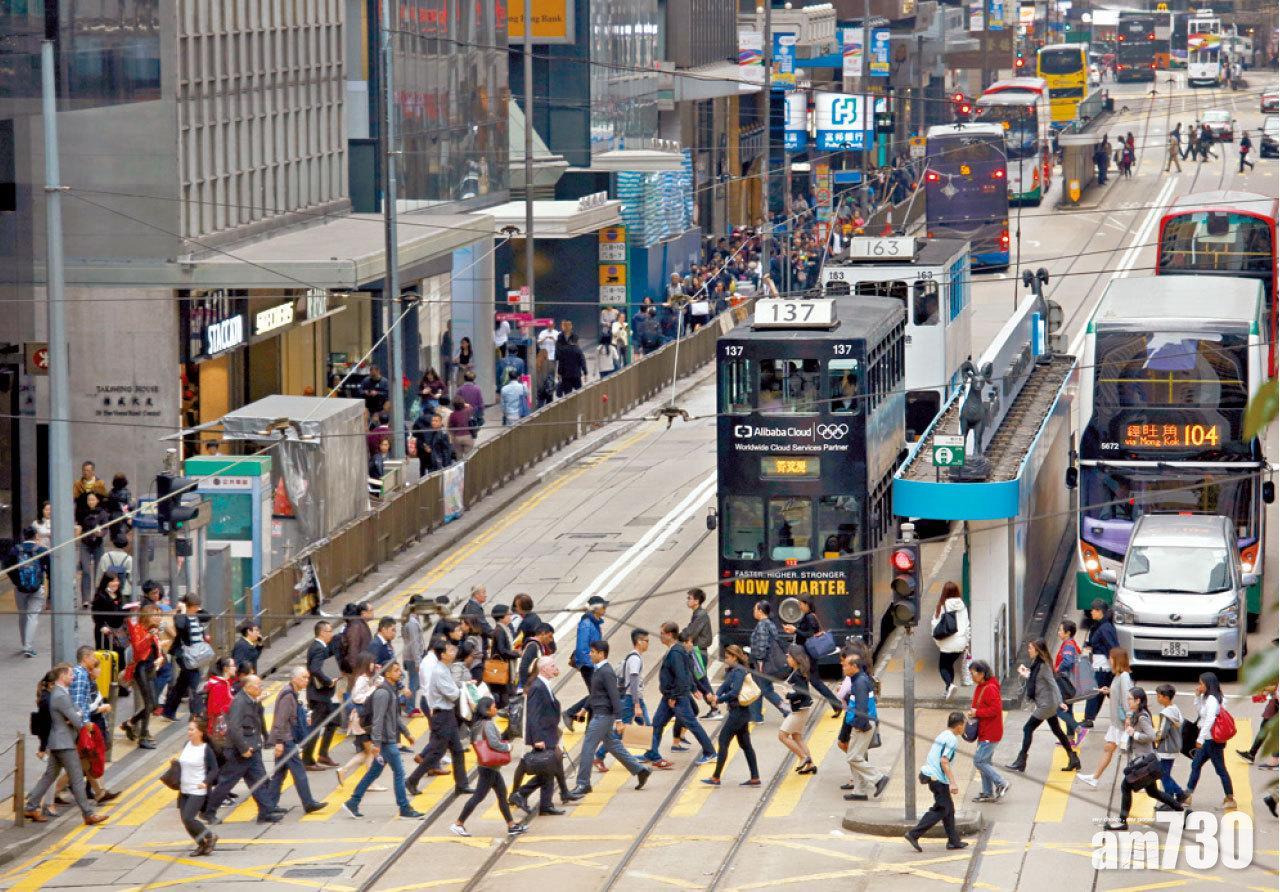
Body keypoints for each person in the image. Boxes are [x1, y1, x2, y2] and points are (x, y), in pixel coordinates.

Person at [24, 663, 108, 826]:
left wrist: (76, 714)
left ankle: (31, 806)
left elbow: (76, 712)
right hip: (64, 743)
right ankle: (88, 814)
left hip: (58, 742)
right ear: (62, 676)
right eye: (70, 675)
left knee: (50, 776)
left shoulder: (60, 692)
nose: (73, 677)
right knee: (76, 778)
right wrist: (77, 716)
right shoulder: (61, 695)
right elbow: (77, 719)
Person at [342, 662, 424, 819]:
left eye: (400, 669)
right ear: (387, 674)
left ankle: (353, 802)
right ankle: (404, 807)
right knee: (399, 773)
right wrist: (377, 743)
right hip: (386, 742)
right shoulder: (383, 693)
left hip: (388, 739)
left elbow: (394, 716)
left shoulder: (391, 691)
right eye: (396, 670)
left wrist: (406, 733)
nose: (400, 672)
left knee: (374, 772)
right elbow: (378, 720)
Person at [570, 640, 650, 795]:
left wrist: (619, 720)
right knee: (613, 745)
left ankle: (583, 783)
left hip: (603, 716)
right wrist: (584, 709)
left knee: (588, 747)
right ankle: (640, 770)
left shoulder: (606, 672)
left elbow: (614, 696)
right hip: (601, 714)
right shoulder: (598, 670)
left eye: (593, 652)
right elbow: (594, 693)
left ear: (601, 654)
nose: (590, 654)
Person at [200, 675, 281, 824]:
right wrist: (243, 748)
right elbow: (234, 728)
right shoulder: (239, 702)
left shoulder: (250, 700)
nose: (261, 688)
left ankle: (266, 811)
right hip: (240, 750)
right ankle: (208, 812)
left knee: (259, 779)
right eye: (258, 686)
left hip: (252, 748)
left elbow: (257, 719)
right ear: (248, 687)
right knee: (227, 783)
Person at [1104, 687, 1185, 830]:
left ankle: (1122, 822)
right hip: (1144, 760)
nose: (1128, 701)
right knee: (1153, 792)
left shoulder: (1142, 717)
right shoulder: (1138, 713)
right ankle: (1180, 811)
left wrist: (1133, 734)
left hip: (1144, 761)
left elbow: (1151, 736)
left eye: (1130, 699)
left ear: (1138, 700)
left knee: (1125, 786)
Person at [639, 623, 717, 767]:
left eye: (662, 633)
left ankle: (710, 752)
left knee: (692, 724)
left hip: (677, 697)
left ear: (669, 634)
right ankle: (651, 752)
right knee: (657, 724)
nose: (660, 635)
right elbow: (687, 672)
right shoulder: (676, 650)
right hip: (670, 697)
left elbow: (681, 676)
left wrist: (674, 696)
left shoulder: (676, 652)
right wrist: (693, 689)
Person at [450, 696, 526, 837]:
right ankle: (458, 823)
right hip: (489, 768)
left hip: (488, 767)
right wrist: (507, 746)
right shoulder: (488, 724)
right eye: (493, 706)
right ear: (487, 710)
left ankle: (511, 825)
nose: (496, 709)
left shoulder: (477, 724)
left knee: (502, 795)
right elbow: (493, 743)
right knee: (478, 797)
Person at [1005, 639, 1080, 772]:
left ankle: (1021, 761)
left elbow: (1053, 684)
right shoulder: (1037, 664)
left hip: (1046, 705)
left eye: (1030, 648)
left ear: (1037, 650)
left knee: (1027, 728)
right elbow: (1037, 679)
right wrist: (1026, 674)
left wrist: (1060, 702)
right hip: (1047, 704)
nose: (1028, 650)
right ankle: (1073, 758)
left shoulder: (1044, 665)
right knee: (1057, 730)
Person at [407, 639, 470, 796]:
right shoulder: (439, 672)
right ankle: (412, 780)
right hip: (442, 716)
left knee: (457, 751)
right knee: (436, 753)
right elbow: (452, 694)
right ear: (442, 655)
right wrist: (463, 689)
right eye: (449, 651)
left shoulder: (444, 668)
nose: (453, 653)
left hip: (447, 715)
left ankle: (462, 784)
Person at [510, 656, 568, 816]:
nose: (555, 668)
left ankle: (545, 804)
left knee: (549, 769)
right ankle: (521, 793)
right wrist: (537, 739)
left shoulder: (544, 685)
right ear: (543, 669)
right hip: (542, 735)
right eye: (552, 666)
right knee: (548, 769)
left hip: (548, 733)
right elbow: (533, 715)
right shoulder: (538, 686)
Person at [904, 712, 968, 853]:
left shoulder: (943, 734)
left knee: (949, 809)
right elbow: (944, 761)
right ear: (958, 726)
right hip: (937, 778)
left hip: (931, 775)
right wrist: (953, 782)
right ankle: (914, 834)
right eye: (964, 724)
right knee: (941, 809)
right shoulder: (952, 740)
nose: (965, 727)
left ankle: (953, 841)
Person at [700, 645, 760, 787]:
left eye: (727, 657)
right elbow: (725, 685)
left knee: (723, 741)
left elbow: (734, 693)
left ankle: (716, 777)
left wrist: (718, 700)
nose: (725, 660)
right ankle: (755, 777)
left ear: (734, 657)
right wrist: (716, 696)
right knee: (746, 746)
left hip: (738, 713)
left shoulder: (739, 671)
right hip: (741, 713)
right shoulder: (733, 670)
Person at [268, 667, 326, 814]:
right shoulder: (288, 695)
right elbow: (280, 720)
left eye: (307, 678)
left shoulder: (292, 693)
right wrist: (279, 742)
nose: (307, 680)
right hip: (286, 740)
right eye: (303, 678)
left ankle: (269, 805)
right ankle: (308, 803)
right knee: (299, 773)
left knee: (279, 774)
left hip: (286, 738)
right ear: (294, 678)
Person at [1078, 647, 1133, 787]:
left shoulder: (1124, 677)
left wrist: (1128, 718)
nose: (1109, 659)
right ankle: (1095, 778)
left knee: (1131, 754)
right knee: (1109, 748)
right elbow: (1118, 693)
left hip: (1122, 723)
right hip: (1116, 722)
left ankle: (1142, 781)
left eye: (1111, 657)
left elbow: (1128, 698)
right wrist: (1108, 691)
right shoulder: (1118, 676)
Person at [837, 654, 889, 801]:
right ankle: (859, 791)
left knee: (853, 757)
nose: (843, 667)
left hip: (862, 724)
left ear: (854, 666)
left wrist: (860, 726)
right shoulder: (860, 680)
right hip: (863, 723)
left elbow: (861, 707)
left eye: (845, 665)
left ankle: (879, 779)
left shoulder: (859, 682)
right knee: (856, 756)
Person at [1182, 671, 1236, 811]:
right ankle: (1187, 794)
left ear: (1207, 684)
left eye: (1201, 683)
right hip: (1208, 740)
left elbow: (1210, 720)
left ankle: (1230, 798)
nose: (1199, 686)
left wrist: (1200, 738)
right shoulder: (1210, 698)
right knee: (1196, 764)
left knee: (1220, 769)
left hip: (1211, 741)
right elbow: (1201, 713)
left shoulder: (1212, 699)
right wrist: (1197, 697)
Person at [779, 597, 841, 714]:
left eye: (800, 604)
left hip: (808, 655)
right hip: (806, 654)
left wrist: (795, 630)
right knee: (806, 679)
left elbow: (810, 634)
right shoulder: (807, 616)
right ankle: (807, 702)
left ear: (806, 604)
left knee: (814, 681)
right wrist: (793, 631)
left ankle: (834, 704)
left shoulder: (809, 617)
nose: (799, 606)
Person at [120, 605, 165, 749]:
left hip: (151, 668)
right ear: (146, 616)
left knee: (153, 704)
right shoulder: (139, 629)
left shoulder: (154, 631)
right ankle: (143, 736)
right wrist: (149, 636)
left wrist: (160, 659)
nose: (158, 618)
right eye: (155, 615)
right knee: (149, 704)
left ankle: (130, 723)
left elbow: (157, 651)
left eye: (159, 615)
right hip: (141, 669)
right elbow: (138, 650)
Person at [161, 594, 212, 721]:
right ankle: (196, 714)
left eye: (198, 606)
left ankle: (168, 711)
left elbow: (207, 616)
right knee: (195, 682)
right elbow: (180, 626)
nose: (197, 609)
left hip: (195, 653)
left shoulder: (196, 615)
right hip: (184, 654)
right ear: (187, 606)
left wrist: (197, 609)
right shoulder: (180, 616)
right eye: (194, 606)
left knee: (182, 684)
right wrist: (183, 610)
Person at [176, 718, 220, 856]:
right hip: (184, 789)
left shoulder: (206, 749)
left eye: (192, 729)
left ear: (200, 732)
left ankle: (210, 836)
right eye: (188, 729)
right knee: (185, 821)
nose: (189, 732)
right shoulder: (186, 745)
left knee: (189, 818)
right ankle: (201, 845)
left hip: (198, 790)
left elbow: (214, 769)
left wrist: (205, 782)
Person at [966, 660, 1008, 802]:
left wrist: (977, 712)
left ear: (982, 673)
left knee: (979, 761)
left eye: (973, 674)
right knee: (985, 762)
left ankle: (1001, 783)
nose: (971, 676)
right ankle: (987, 792)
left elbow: (995, 710)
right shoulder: (981, 686)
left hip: (991, 732)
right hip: (984, 731)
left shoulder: (990, 688)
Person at [564, 596, 607, 729]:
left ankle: (589, 727)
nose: (605, 608)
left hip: (593, 664)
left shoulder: (595, 622)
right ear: (595, 608)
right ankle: (570, 713)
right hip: (589, 665)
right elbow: (582, 648)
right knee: (597, 694)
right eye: (603, 606)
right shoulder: (587, 623)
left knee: (596, 695)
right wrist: (592, 665)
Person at [7, 525, 50, 657]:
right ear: (36, 535)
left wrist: (17, 582)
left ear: (23, 536)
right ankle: (28, 646)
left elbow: (9, 567)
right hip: (37, 588)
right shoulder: (42, 550)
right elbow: (49, 569)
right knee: (32, 616)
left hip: (20, 589)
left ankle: (23, 643)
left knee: (23, 615)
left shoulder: (15, 550)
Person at [302, 621, 339, 769]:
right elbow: (315, 669)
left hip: (325, 696)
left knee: (334, 721)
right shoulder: (318, 648)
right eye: (330, 631)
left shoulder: (323, 647)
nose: (332, 633)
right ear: (322, 632)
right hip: (319, 696)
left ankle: (323, 754)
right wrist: (329, 681)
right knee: (315, 728)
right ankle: (307, 760)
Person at [748, 601, 789, 722]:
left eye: (755, 609)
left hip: (762, 662)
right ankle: (756, 716)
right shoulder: (770, 623)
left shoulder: (762, 625)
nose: (753, 612)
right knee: (757, 688)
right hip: (764, 661)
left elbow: (762, 644)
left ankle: (786, 709)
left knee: (766, 690)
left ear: (760, 611)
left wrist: (760, 661)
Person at [1081, 599, 1119, 727]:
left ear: (1100, 611)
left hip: (1104, 666)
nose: (1091, 612)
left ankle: (1088, 719)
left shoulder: (1105, 628)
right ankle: (1089, 718)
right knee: (1105, 693)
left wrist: (1115, 669)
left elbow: (1112, 648)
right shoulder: (1100, 625)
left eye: (1093, 610)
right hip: (1101, 664)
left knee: (1095, 691)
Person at [779, 645, 817, 774]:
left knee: (782, 735)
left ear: (796, 658)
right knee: (796, 736)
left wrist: (788, 695)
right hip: (802, 708)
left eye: (789, 656)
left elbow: (802, 692)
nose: (787, 659)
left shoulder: (798, 674)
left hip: (800, 709)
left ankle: (803, 757)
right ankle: (810, 764)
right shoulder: (799, 671)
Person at [931, 582, 969, 697]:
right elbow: (967, 624)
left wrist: (936, 639)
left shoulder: (942, 605)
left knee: (943, 666)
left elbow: (935, 623)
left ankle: (949, 684)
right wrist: (967, 642)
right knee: (950, 664)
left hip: (947, 641)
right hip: (960, 642)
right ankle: (948, 689)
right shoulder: (962, 605)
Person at [75, 491, 110, 608]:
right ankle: (85, 598)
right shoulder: (81, 512)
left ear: (97, 500)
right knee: (85, 570)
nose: (91, 502)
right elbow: (78, 526)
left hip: (98, 543)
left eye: (93, 499)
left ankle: (98, 596)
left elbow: (106, 528)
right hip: (85, 543)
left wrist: (100, 533)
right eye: (89, 500)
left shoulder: (103, 513)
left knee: (98, 571)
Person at [1153, 683, 1186, 802]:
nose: (1157, 698)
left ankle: (1173, 797)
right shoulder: (1175, 709)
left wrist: (1154, 737)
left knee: (1163, 775)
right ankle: (1178, 794)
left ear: (1166, 697)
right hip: (1174, 746)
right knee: (1165, 773)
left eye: (1159, 696)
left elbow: (1162, 732)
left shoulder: (1166, 713)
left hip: (1166, 748)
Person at [1053, 620, 1083, 744]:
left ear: (1068, 633)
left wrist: (1057, 669)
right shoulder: (1070, 643)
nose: (1059, 632)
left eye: (1061, 630)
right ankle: (1070, 739)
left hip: (1065, 682)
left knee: (1058, 709)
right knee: (1068, 709)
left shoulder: (1068, 645)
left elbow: (1067, 661)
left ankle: (1078, 728)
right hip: (1069, 682)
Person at [1238, 683, 1278, 763]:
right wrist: (1263, 693)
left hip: (1275, 705)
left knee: (1273, 733)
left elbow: (1275, 687)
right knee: (1265, 730)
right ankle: (1252, 754)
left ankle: (1275, 760)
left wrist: (1263, 688)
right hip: (1274, 704)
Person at [488, 604, 518, 709]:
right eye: (508, 614)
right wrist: (516, 654)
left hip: (503, 667)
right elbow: (502, 651)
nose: (510, 616)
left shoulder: (503, 628)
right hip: (502, 669)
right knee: (505, 694)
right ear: (502, 617)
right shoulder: (500, 631)